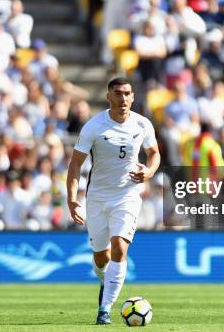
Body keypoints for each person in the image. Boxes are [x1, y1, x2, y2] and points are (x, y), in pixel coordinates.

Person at [66, 77, 160, 325]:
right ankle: (104, 279)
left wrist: (149, 172)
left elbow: (154, 153)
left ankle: (104, 310)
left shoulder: (142, 124)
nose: (123, 98)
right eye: (118, 93)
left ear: (133, 96)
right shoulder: (94, 126)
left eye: (127, 93)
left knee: (120, 246)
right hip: (97, 197)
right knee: (101, 258)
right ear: (109, 96)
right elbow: (75, 164)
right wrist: (72, 199)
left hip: (127, 195)